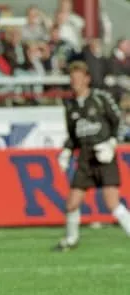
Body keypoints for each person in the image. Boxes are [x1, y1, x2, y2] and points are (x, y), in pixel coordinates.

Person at [55, 61, 130, 251]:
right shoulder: (71, 106)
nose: (75, 83)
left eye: (79, 78)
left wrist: (111, 143)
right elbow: (73, 135)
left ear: (87, 79)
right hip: (85, 158)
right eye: (72, 79)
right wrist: (66, 151)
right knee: (72, 203)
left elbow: (118, 122)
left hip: (104, 155)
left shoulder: (100, 98)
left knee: (112, 202)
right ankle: (71, 240)